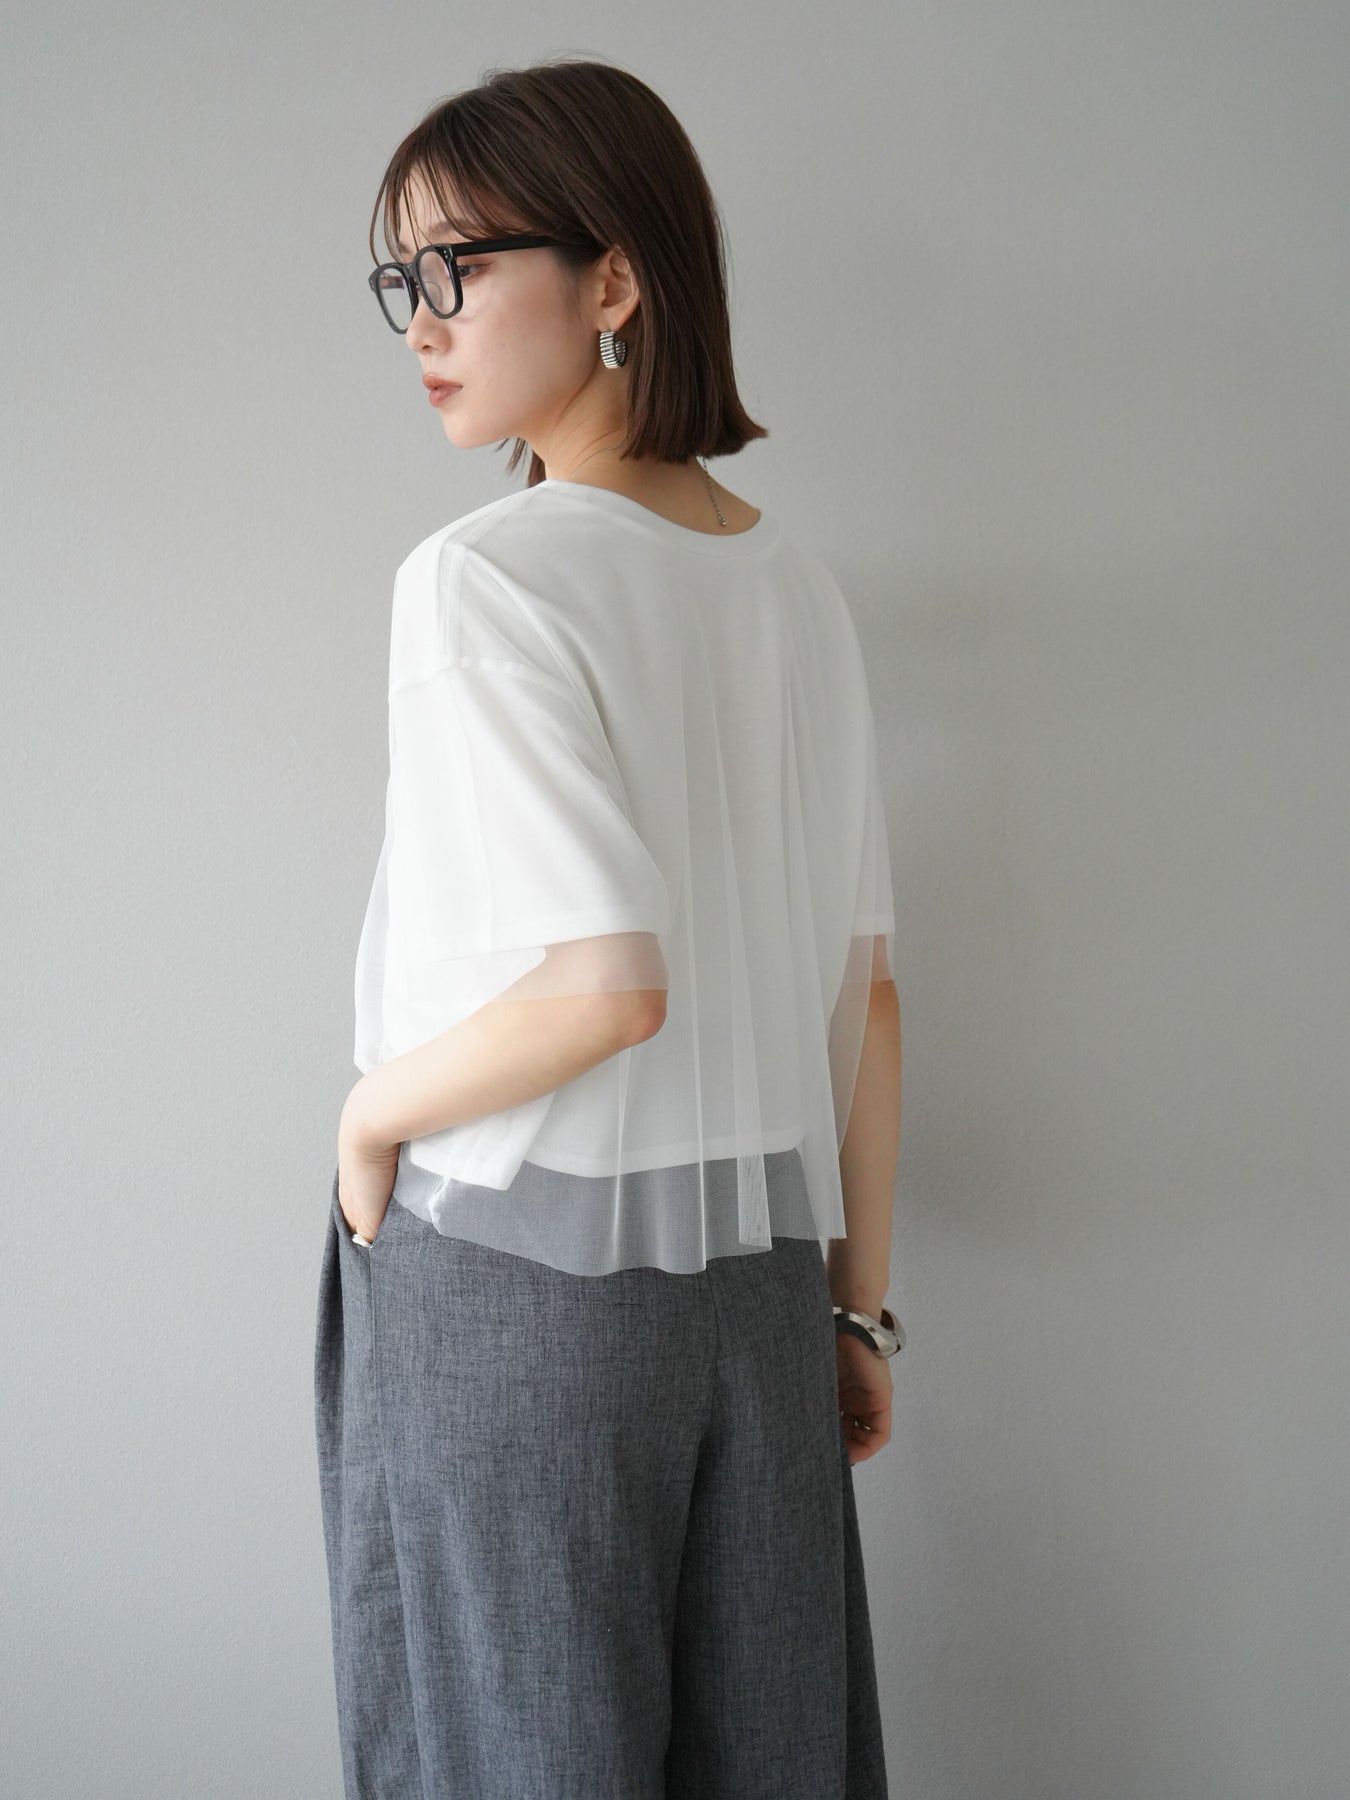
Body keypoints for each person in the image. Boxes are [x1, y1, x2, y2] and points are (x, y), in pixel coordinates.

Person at [314, 56, 902, 1800]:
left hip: (512, 1284)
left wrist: (367, 1118)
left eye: (459, 265)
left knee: (516, 1755)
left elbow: (603, 987)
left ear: (614, 280)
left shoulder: (481, 576)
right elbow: (864, 996)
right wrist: (856, 1314)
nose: (422, 320)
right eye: (401, 279)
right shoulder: (795, 586)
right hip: (757, 1300)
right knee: (771, 1757)